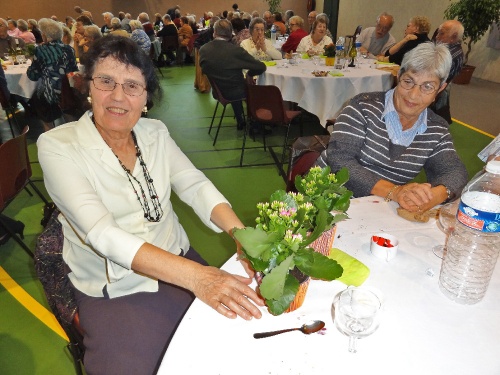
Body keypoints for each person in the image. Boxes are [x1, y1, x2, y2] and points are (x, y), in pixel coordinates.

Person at [37, 35, 263, 374]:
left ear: (145, 98)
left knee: (240, 338)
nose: (117, 96)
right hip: (113, 286)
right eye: (106, 81)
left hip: (177, 258)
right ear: (88, 87)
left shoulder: (154, 132)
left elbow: (195, 185)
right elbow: (102, 233)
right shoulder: (57, 145)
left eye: (132, 85)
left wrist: (244, 238)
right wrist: (198, 278)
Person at [316, 42, 468, 212]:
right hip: (327, 196)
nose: (413, 94)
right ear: (398, 76)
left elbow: (455, 171)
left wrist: (432, 196)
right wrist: (394, 191)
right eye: (408, 81)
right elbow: (340, 161)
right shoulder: (362, 107)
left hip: (378, 206)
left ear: (440, 89)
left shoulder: (436, 129)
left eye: (427, 86)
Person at [200, 19, 266, 131]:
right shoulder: (236, 51)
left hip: (218, 91)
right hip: (236, 91)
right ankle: (258, 124)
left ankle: (241, 120)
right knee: (255, 87)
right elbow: (261, 67)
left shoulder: (203, 50)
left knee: (234, 80)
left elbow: (204, 69)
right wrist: (250, 74)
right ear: (231, 34)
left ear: (214, 32)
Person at [27, 18, 78, 131]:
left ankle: (49, 131)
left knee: (35, 99)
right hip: (68, 92)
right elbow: (73, 69)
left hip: (49, 93)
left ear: (45, 35)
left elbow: (32, 75)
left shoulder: (40, 50)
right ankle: (71, 128)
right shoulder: (69, 49)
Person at [430, 20, 465, 124]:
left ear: (453, 36)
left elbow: (435, 77)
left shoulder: (450, 55)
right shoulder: (446, 50)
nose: (436, 36)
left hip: (437, 90)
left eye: (441, 33)